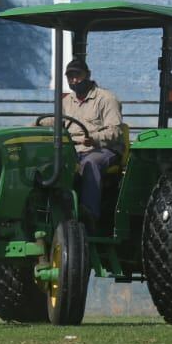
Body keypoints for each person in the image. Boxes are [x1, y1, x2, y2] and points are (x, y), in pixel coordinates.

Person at [45, 57, 124, 223]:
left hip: (103, 149)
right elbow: (55, 121)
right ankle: (49, 212)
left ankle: (89, 216)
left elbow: (115, 131)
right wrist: (33, 125)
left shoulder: (106, 99)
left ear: (88, 75)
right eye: (70, 77)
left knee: (90, 163)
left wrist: (93, 139)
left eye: (78, 75)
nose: (74, 80)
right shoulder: (67, 101)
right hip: (74, 150)